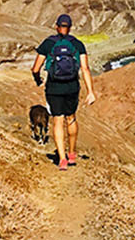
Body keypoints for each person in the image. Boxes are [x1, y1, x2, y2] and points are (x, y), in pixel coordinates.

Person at [31, 13, 96, 169]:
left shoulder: (48, 44)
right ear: (70, 28)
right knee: (71, 119)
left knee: (58, 121)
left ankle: (62, 159)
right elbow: (85, 69)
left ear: (57, 27)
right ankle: (72, 154)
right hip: (72, 87)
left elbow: (35, 68)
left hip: (54, 88)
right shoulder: (78, 45)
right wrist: (90, 92)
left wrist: (38, 79)